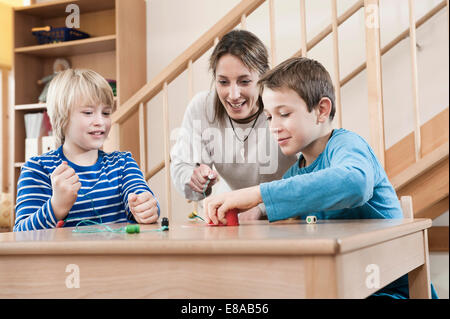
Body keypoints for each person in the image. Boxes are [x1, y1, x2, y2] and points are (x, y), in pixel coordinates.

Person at [203, 56, 438, 299]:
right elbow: (285, 194)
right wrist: (255, 211)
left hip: (390, 290)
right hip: (345, 288)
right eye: (270, 117)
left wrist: (256, 193)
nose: (273, 126)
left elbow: (354, 183)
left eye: (284, 114)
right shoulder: (296, 171)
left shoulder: (347, 146)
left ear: (321, 110)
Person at [170, 30, 297, 220]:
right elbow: (181, 166)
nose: (233, 94)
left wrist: (262, 209)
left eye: (244, 81)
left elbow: (312, 176)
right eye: (223, 82)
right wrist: (194, 179)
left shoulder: (282, 106)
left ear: (263, 79)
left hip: (288, 216)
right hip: (238, 220)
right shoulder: (202, 107)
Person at [14, 69, 159, 231]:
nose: (100, 121)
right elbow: (20, 234)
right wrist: (56, 206)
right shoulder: (37, 169)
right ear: (61, 118)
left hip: (119, 256)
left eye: (105, 113)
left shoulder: (123, 163)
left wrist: (147, 208)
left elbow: (142, 195)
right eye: (88, 112)